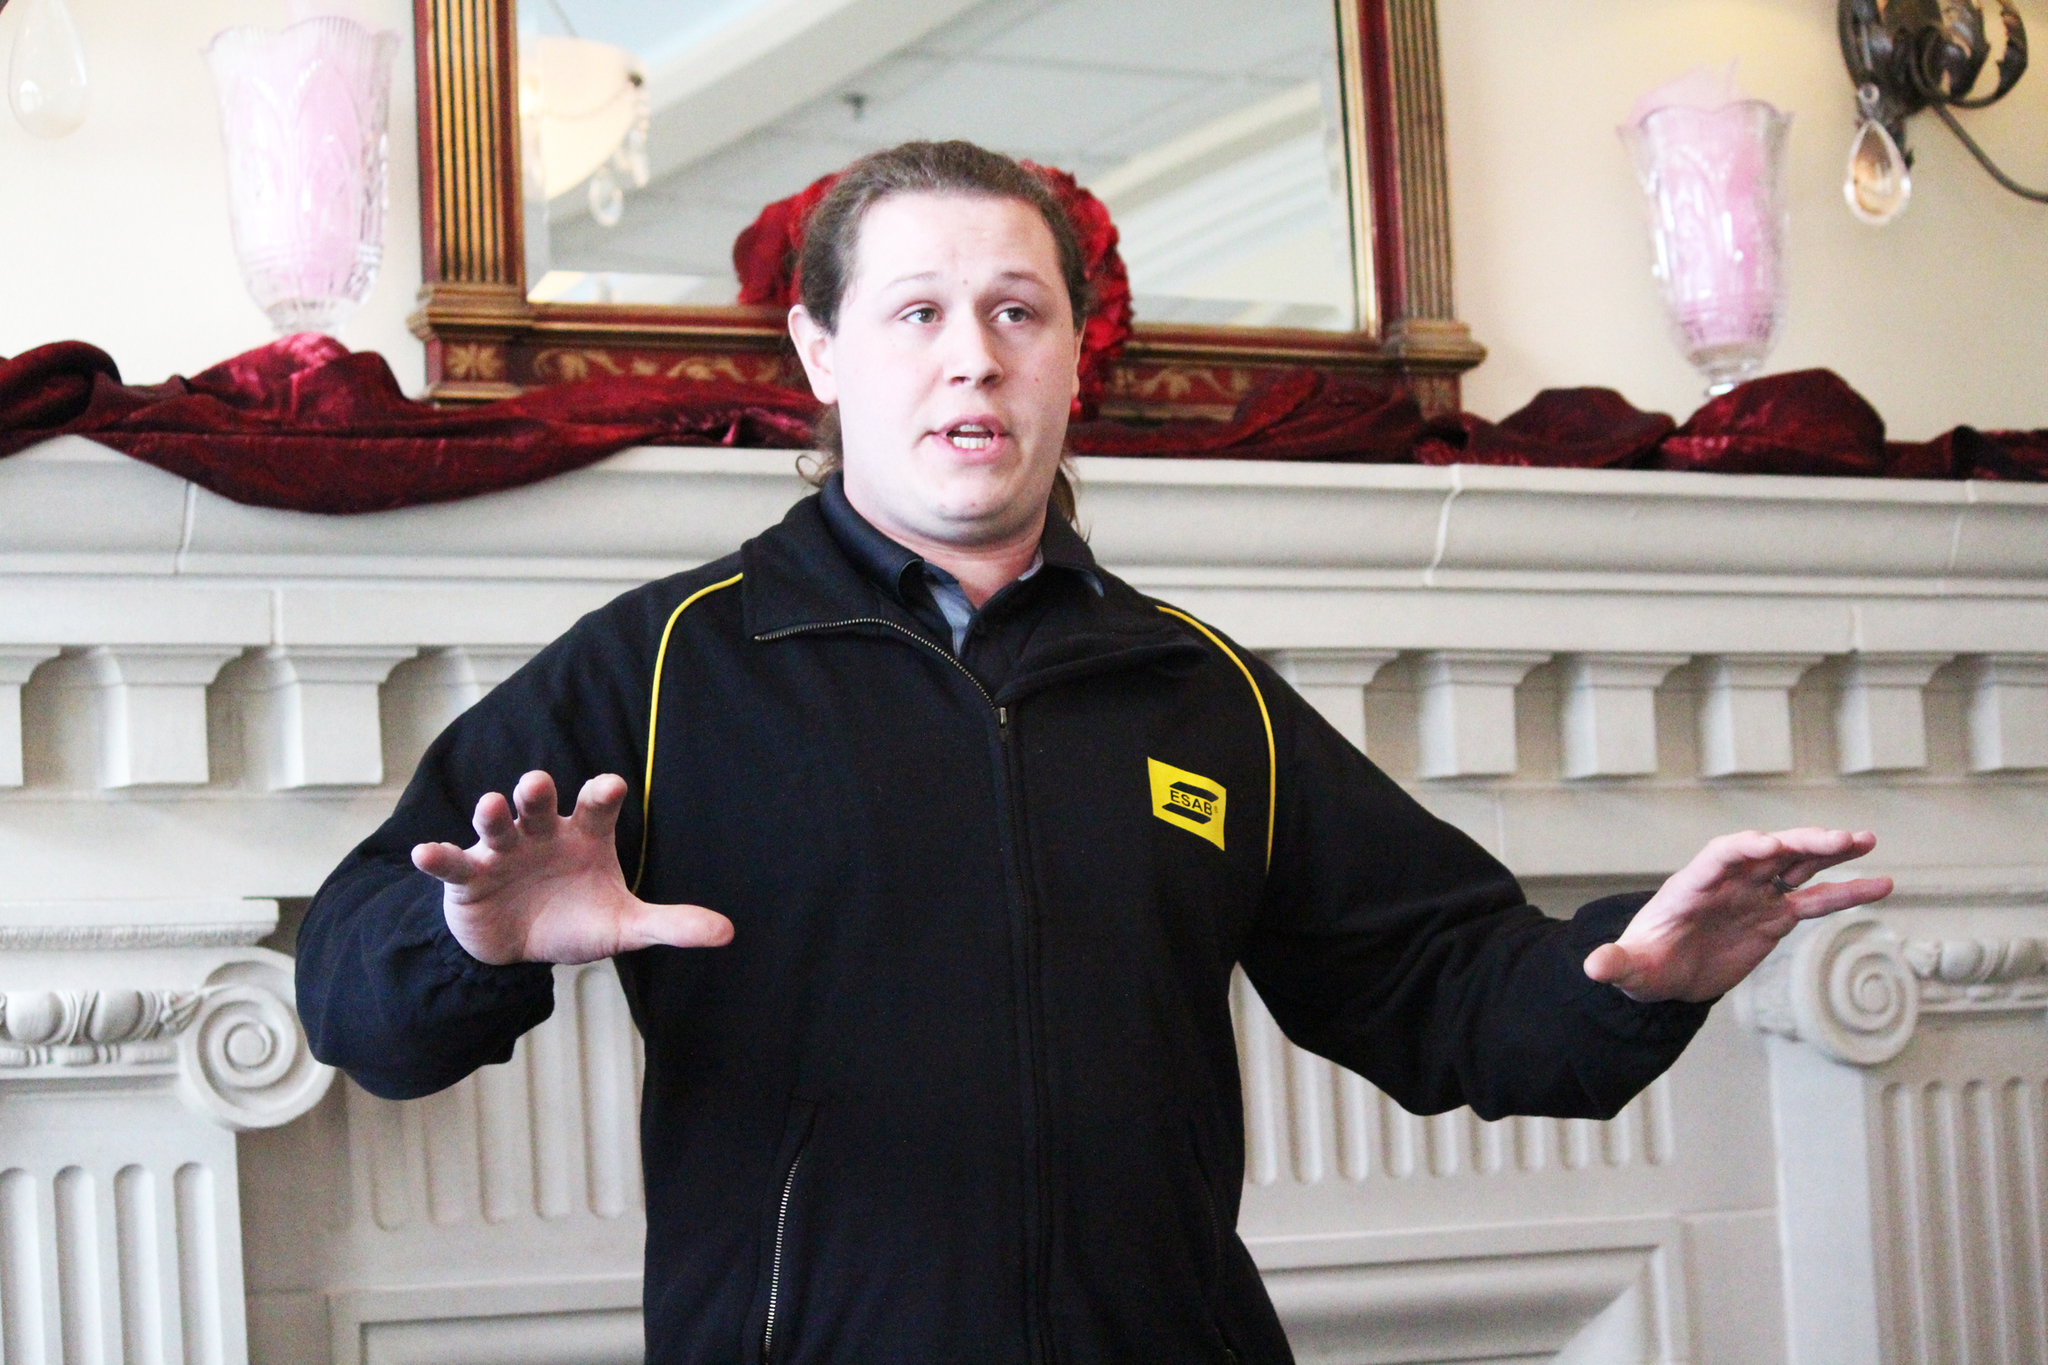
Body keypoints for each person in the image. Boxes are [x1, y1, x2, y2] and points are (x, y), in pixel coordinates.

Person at [296, 140, 1890, 1365]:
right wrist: (469, 941)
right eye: (916, 312)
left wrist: (1638, 964)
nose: (972, 356)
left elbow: (1441, 985)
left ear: (1072, 356)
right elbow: (356, 999)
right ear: (823, 354)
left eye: (1016, 310)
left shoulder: (1201, 692)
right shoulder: (663, 665)